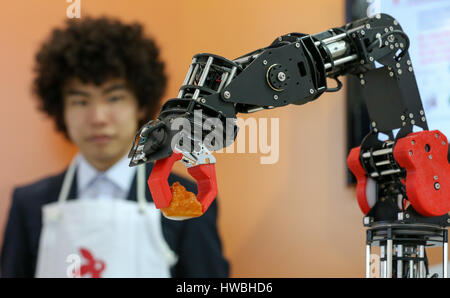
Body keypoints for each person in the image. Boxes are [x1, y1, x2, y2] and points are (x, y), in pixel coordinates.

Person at [1, 17, 229, 278]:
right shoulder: (28, 203)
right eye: (80, 101)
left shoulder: (188, 200)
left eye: (114, 98)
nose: (98, 117)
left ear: (140, 104)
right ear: (60, 109)